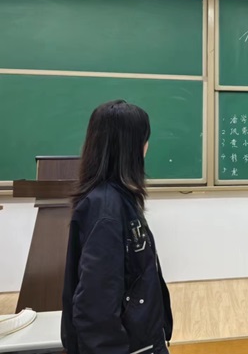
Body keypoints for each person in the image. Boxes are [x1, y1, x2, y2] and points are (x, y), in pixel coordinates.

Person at [61, 100, 173, 354]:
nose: (147, 146)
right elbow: (95, 307)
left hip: (141, 341)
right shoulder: (106, 209)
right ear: (132, 147)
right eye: (144, 139)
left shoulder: (116, 199)